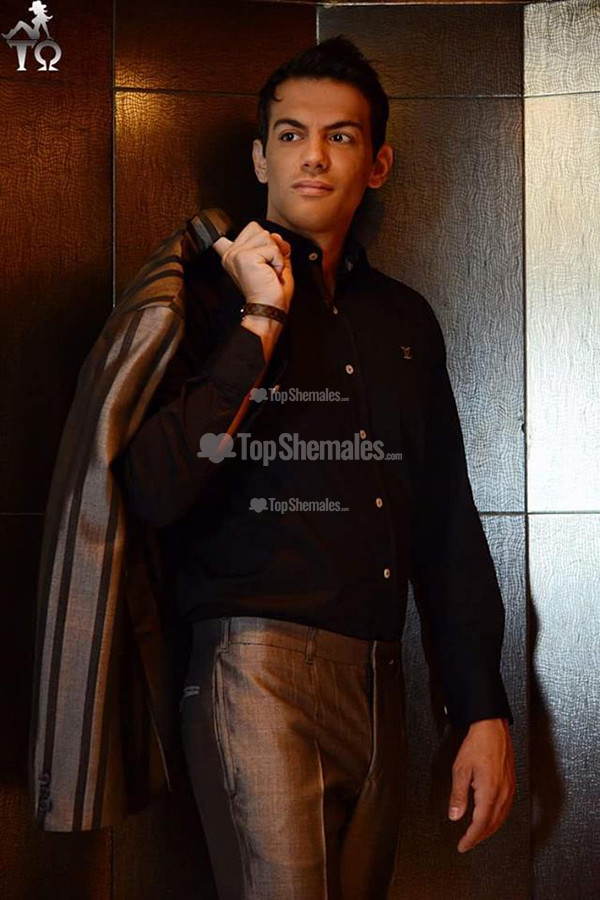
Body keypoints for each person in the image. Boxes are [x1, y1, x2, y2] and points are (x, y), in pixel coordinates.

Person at [115, 35, 516, 900]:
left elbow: (445, 522)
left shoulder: (404, 321)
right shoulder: (201, 296)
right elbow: (152, 486)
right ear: (261, 156)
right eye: (291, 134)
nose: (314, 156)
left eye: (341, 136)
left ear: (377, 164)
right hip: (252, 669)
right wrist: (260, 320)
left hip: (380, 678)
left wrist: (481, 707)